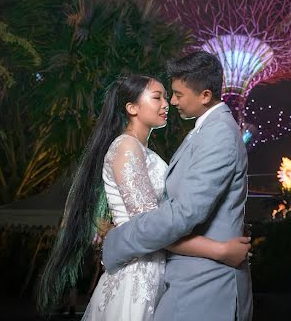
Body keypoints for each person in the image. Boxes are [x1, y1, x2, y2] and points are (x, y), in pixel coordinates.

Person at [37, 74, 251, 320]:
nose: (166, 104)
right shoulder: (126, 148)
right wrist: (219, 250)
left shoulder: (143, 152)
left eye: (167, 97)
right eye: (157, 97)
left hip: (156, 270)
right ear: (132, 108)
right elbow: (153, 228)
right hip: (137, 275)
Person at [102, 52, 253, 321]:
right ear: (130, 107)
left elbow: (184, 212)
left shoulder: (217, 133)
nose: (171, 102)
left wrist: (119, 238)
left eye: (177, 95)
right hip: (179, 278)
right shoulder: (204, 130)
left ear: (205, 96)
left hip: (203, 284)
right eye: (161, 96)